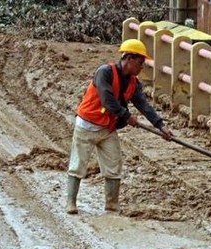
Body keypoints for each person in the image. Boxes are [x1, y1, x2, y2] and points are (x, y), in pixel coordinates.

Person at [66, 38, 174, 215]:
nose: (142, 67)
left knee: (113, 166)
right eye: (140, 63)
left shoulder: (133, 83)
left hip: (107, 129)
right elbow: (108, 100)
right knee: (78, 164)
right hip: (87, 125)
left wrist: (160, 125)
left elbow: (143, 105)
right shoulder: (104, 73)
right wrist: (127, 116)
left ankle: (112, 204)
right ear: (129, 59)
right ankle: (71, 202)